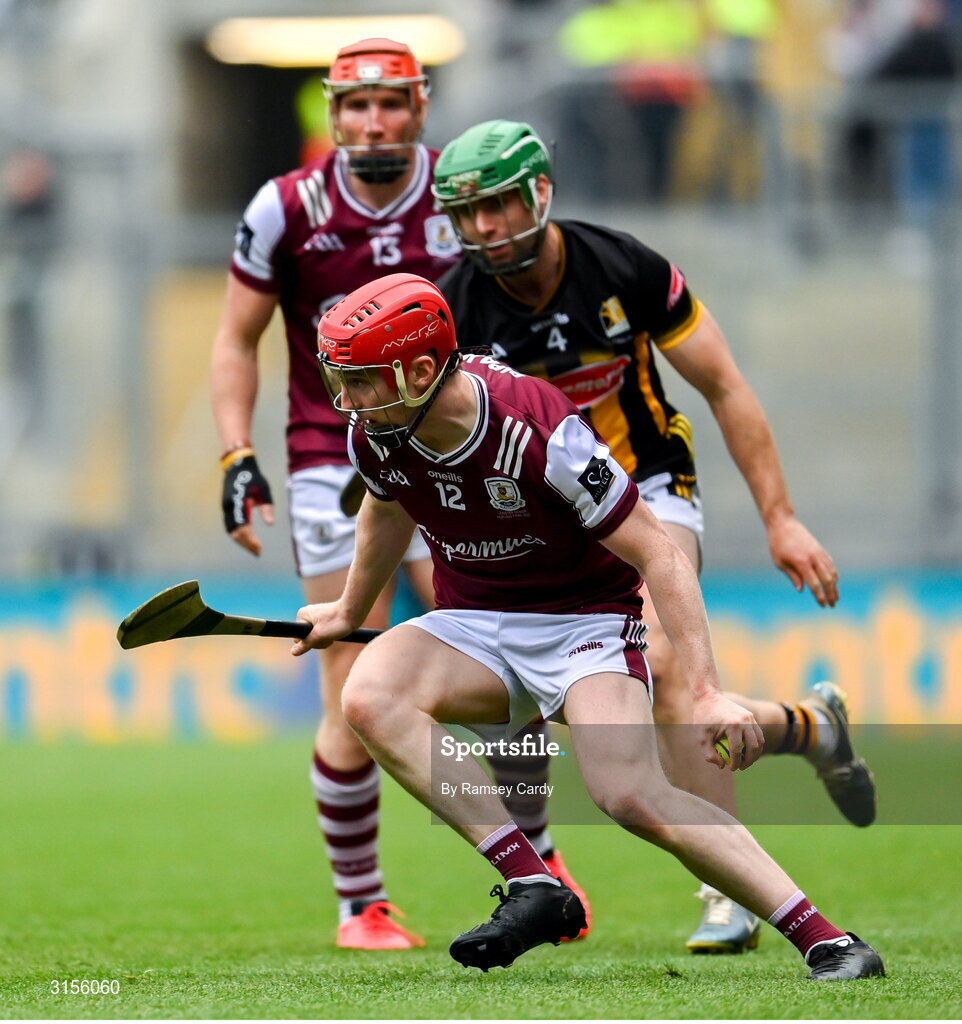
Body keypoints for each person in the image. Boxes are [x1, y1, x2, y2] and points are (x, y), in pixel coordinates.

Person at [291, 271, 885, 982]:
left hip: (584, 624)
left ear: (420, 371)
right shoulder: (377, 434)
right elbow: (386, 513)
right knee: (369, 693)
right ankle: (534, 883)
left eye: (360, 382)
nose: (346, 402)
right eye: (340, 381)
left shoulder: (535, 428)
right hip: (475, 622)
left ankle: (828, 940)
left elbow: (656, 551)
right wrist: (349, 613)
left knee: (629, 795)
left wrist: (705, 691)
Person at [430, 119, 877, 954]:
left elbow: (725, 386)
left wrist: (780, 517)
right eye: (468, 213)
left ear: (539, 194)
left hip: (647, 487)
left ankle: (727, 893)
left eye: (499, 205)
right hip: (538, 521)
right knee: (592, 714)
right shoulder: (452, 307)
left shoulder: (624, 267)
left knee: (667, 662)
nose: (486, 227)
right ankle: (807, 727)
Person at [209, 38, 464, 950]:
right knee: (350, 677)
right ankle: (362, 906)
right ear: (330, 111)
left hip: (453, 448)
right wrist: (238, 454)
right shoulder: (286, 207)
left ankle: (539, 860)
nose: (372, 121)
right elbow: (237, 339)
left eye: (391, 103)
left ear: (420, 106)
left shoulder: (461, 193)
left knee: (505, 660)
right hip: (331, 457)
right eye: (354, 107)